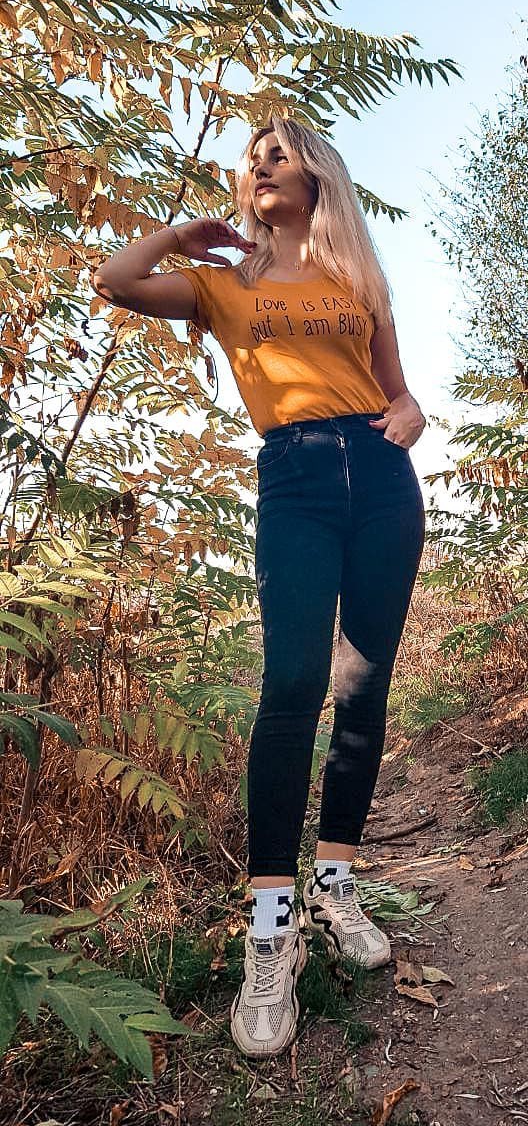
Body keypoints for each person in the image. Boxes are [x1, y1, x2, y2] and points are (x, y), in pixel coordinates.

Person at [92, 116, 427, 1059]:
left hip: (380, 479)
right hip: (294, 482)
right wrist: (180, 234)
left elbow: (402, 392)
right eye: (253, 156)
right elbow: (116, 283)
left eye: (280, 152)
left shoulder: (359, 276)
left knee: (364, 689)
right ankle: (270, 923)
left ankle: (336, 883)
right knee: (290, 688)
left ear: (318, 175)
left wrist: (409, 414)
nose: (261, 162)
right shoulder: (221, 284)